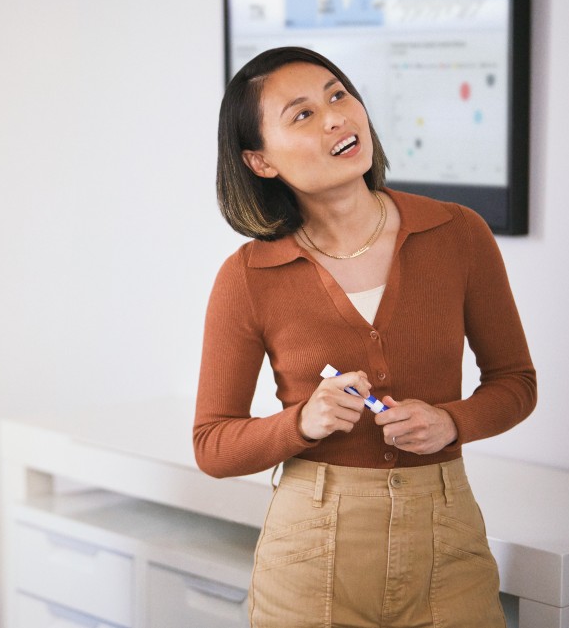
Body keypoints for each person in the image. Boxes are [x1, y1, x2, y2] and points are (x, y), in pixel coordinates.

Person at [193, 47, 537, 628]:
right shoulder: (249, 276)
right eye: (301, 115)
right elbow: (212, 445)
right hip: (310, 550)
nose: (335, 117)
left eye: (338, 95)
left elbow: (516, 383)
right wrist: (301, 422)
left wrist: (453, 422)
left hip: (446, 540)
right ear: (260, 161)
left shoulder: (458, 233)